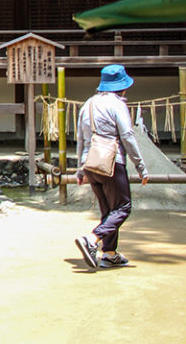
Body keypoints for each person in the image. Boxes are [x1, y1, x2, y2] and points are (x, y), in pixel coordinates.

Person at [74, 64, 149, 269]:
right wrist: (141, 167)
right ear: (122, 87)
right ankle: (93, 239)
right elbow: (127, 136)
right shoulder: (117, 105)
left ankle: (109, 254)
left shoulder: (87, 105)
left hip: (90, 163)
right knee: (123, 207)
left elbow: (80, 138)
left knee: (109, 210)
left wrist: (80, 169)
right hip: (111, 161)